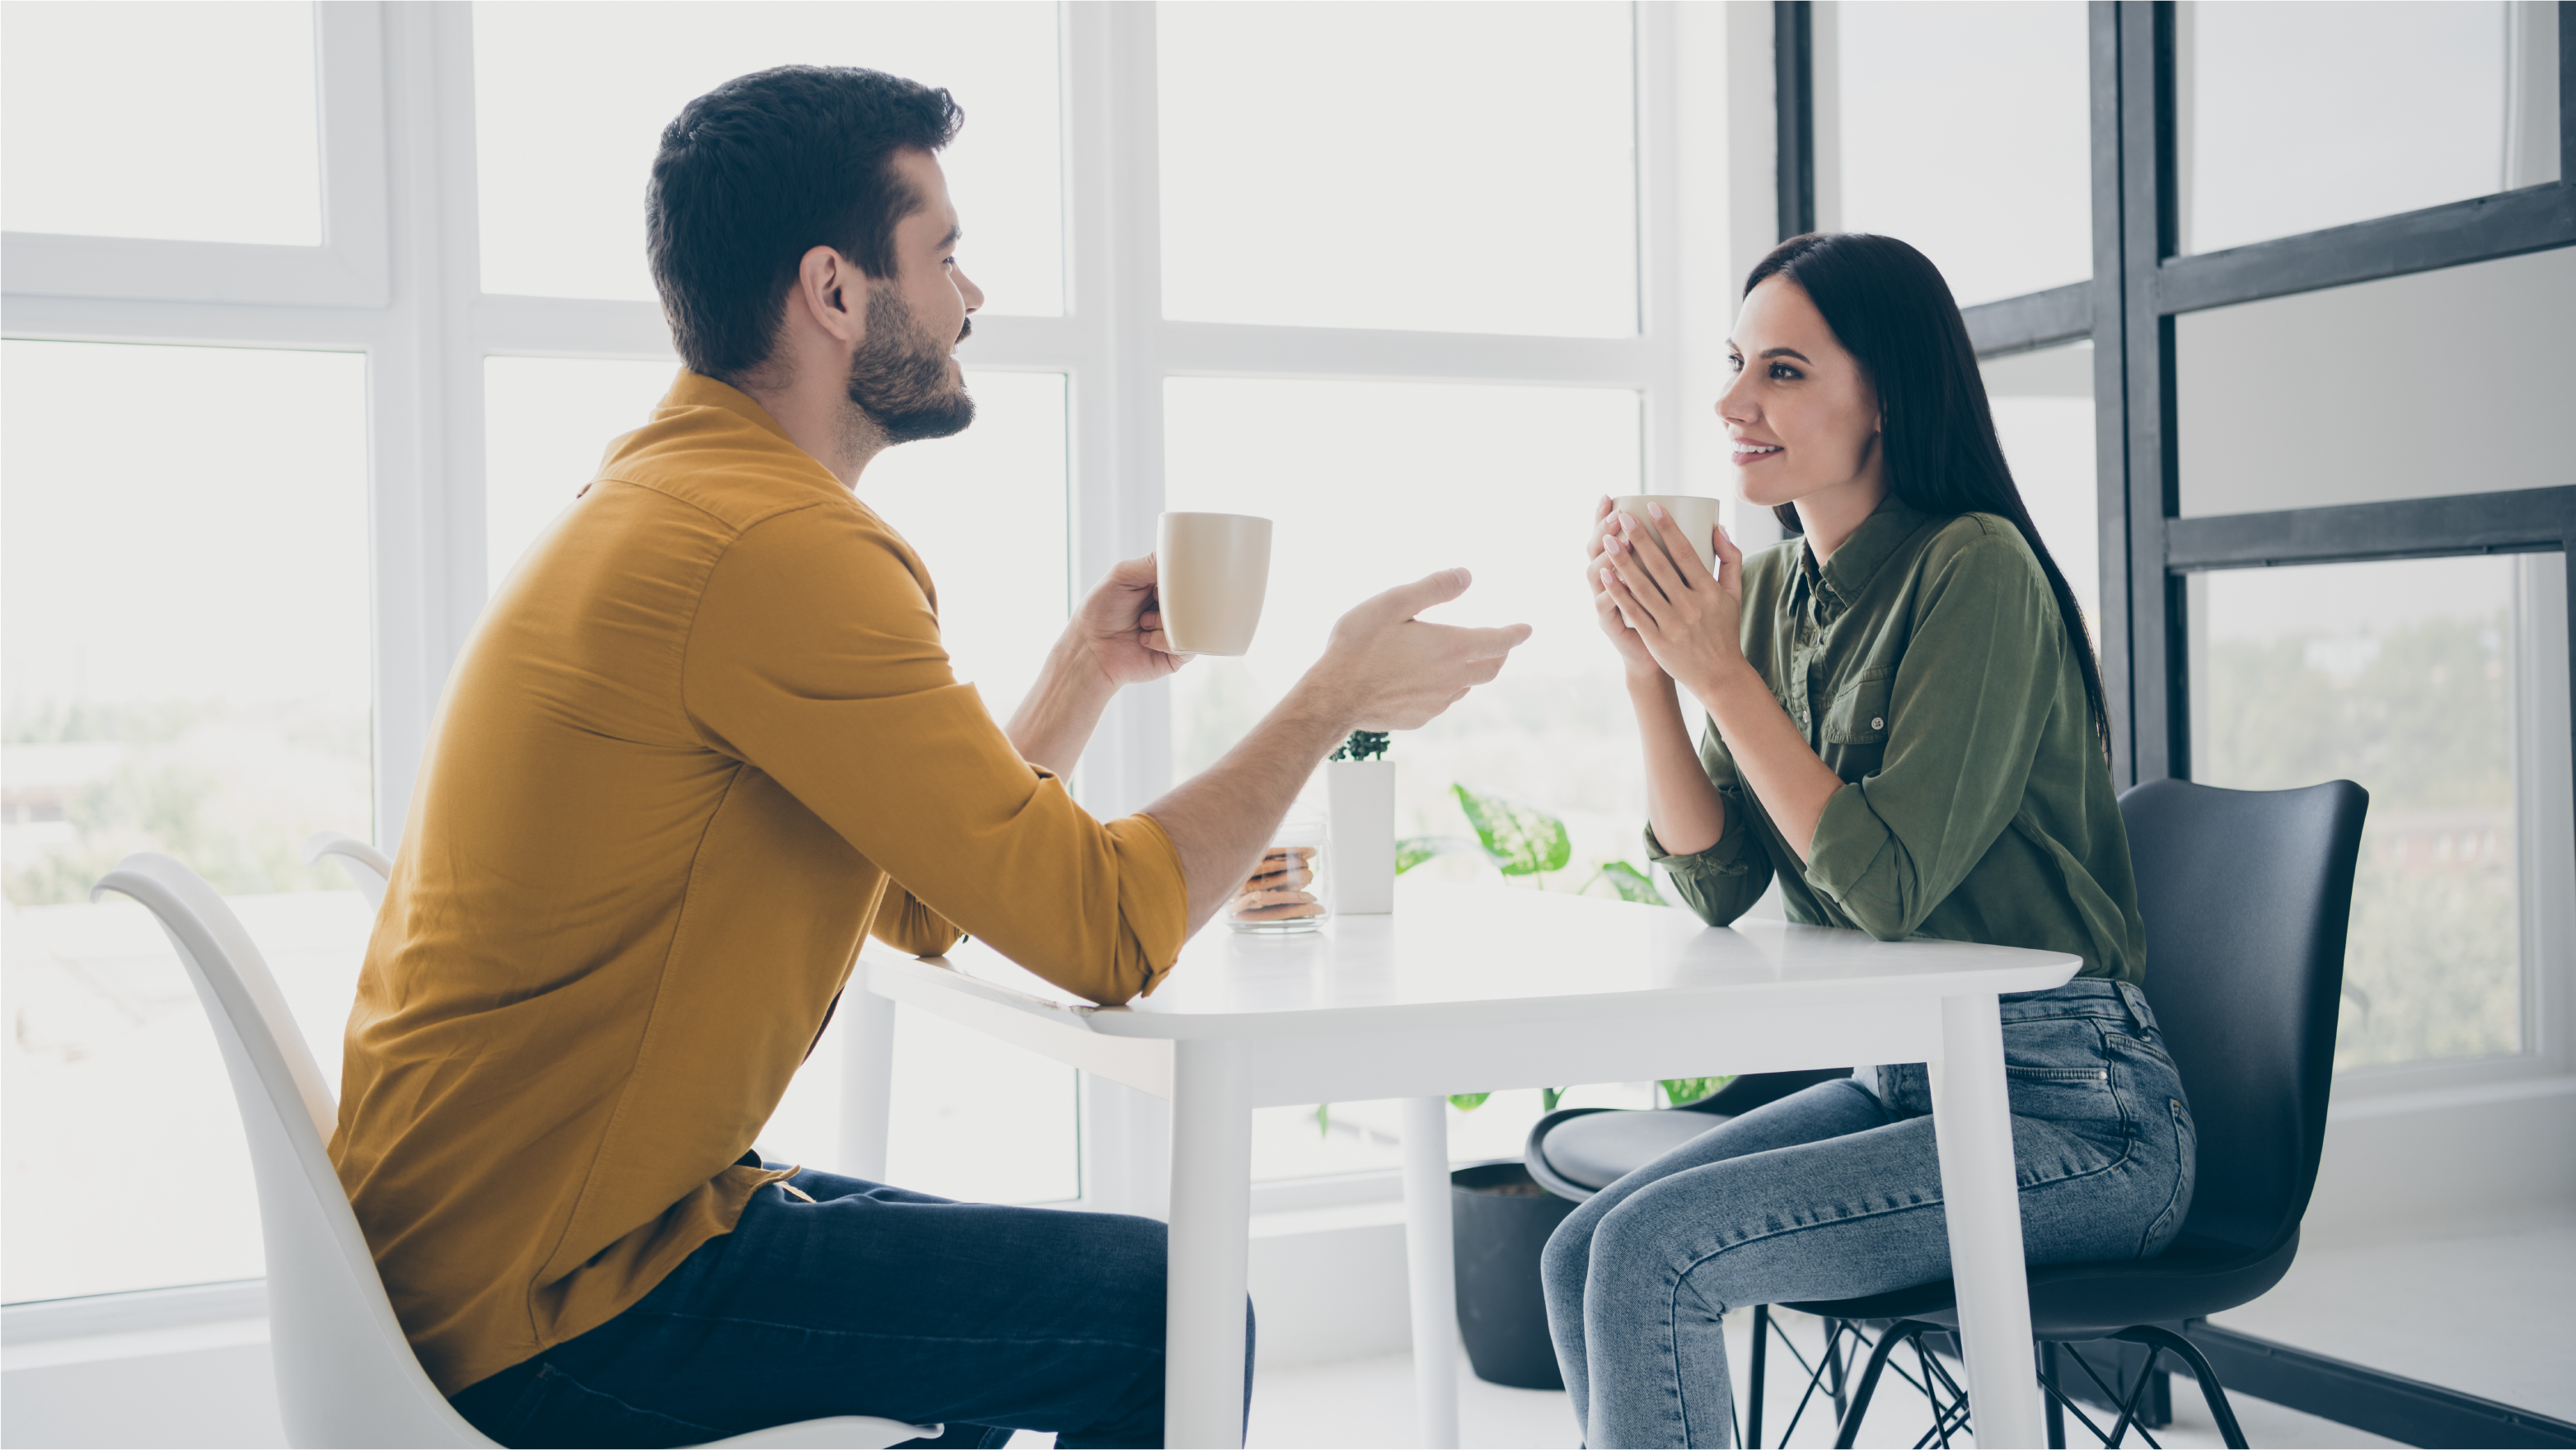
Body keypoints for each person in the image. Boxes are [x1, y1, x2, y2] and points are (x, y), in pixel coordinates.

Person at [330, 65, 1527, 1450]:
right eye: (944, 254)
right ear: (834, 291)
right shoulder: (780, 546)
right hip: (559, 1306)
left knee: (1036, 1313)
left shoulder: (673, 496)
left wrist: (1079, 675)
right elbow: (1108, 932)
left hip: (495, 1252)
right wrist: (1327, 699)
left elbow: (913, 896)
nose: (971, 298)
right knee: (1169, 1313)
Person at [1543, 232, 2194, 1448]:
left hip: (2077, 1113)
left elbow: (1888, 888)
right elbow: (1721, 881)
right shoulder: (1777, 591)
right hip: (1904, 1084)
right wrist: (1652, 677)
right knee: (1585, 1243)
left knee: (1650, 1255)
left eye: (1781, 370)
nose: (1733, 403)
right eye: (1735, 364)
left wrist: (1719, 673)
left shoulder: (1976, 568)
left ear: (1885, 395)